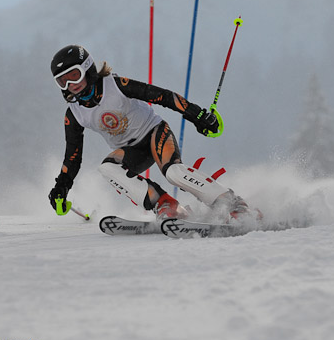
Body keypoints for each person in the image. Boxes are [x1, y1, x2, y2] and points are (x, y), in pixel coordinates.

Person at [48, 44, 250, 221]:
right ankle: (165, 204)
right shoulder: (75, 113)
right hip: (132, 150)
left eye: (73, 76)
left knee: (173, 172)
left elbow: (163, 96)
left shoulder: (115, 85)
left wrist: (197, 115)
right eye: (62, 81)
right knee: (108, 168)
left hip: (154, 133)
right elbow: (72, 156)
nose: (70, 85)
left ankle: (232, 203)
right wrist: (62, 187)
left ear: (87, 69)